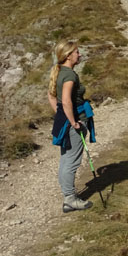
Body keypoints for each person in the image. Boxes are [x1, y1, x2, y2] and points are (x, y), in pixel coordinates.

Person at [48, 40, 96, 213]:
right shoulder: (69, 75)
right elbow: (67, 100)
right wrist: (74, 122)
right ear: (68, 56)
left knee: (65, 158)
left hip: (64, 120)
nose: (80, 54)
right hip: (73, 122)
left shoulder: (59, 71)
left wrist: (60, 113)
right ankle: (70, 199)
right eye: (77, 52)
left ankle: (68, 195)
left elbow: (52, 96)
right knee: (71, 161)